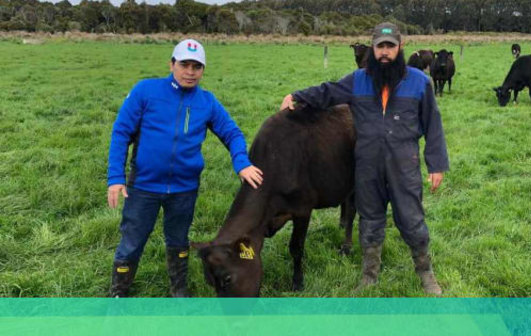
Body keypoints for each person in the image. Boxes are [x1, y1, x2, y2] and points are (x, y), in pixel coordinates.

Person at [280, 23, 449, 295]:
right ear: (372, 48)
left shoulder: (419, 82)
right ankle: (370, 275)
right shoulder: (358, 80)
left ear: (400, 47)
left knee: (412, 219)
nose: (384, 53)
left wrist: (437, 164)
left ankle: (425, 273)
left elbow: (433, 124)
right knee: (370, 219)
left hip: (403, 165)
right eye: (380, 47)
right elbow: (328, 91)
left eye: (390, 47)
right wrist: (297, 96)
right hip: (368, 166)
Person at [107, 39, 263, 297]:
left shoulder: (207, 101)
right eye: (184, 64)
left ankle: (179, 291)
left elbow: (232, 132)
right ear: (172, 64)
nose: (190, 72)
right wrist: (115, 177)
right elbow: (121, 132)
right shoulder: (145, 91)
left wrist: (242, 163)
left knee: (179, 241)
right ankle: (118, 292)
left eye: (197, 66)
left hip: (184, 188)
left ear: (203, 70)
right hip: (144, 185)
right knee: (132, 241)